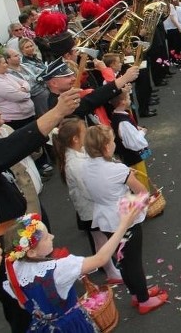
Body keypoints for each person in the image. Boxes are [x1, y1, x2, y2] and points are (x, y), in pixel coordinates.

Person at [0, 88, 81, 333]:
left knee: (38, 289)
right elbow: (11, 148)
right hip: (5, 244)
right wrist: (57, 112)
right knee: (21, 305)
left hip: (16, 228)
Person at [2, 208, 142, 331]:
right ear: (31, 252)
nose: (52, 236)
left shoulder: (14, 267)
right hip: (71, 326)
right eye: (45, 237)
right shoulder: (59, 269)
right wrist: (123, 225)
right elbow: (101, 259)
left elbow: (23, 303)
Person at [81, 125, 168, 314]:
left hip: (104, 218)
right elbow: (142, 192)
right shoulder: (118, 169)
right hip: (123, 218)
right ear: (105, 147)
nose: (114, 143)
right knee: (134, 261)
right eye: (112, 141)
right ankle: (144, 300)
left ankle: (137, 293)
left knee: (123, 260)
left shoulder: (86, 167)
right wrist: (131, 185)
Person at [52, 117, 123, 283]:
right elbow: (88, 189)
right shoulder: (74, 164)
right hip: (90, 209)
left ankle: (110, 266)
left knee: (103, 238)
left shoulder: (79, 153)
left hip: (93, 206)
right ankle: (110, 271)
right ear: (75, 139)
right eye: (84, 132)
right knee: (101, 240)